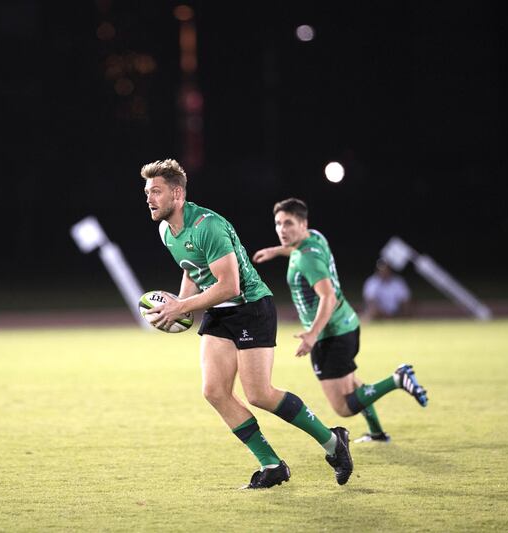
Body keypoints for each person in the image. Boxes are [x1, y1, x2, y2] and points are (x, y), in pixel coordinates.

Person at [140, 159, 353, 489]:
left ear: (178, 194)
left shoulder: (207, 225)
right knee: (214, 391)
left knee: (260, 394)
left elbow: (230, 286)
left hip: (251, 307)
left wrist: (183, 305)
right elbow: (191, 267)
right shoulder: (166, 230)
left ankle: (332, 442)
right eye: (146, 192)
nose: (149, 198)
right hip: (219, 313)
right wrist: (181, 308)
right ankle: (271, 465)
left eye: (156, 191)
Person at [252, 198, 427, 444]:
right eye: (278, 223)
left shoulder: (306, 259)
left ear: (303, 224)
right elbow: (297, 247)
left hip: (329, 335)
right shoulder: (315, 238)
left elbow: (328, 297)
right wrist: (276, 250)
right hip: (348, 325)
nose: (282, 229)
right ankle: (377, 433)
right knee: (355, 384)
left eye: (288, 223)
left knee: (344, 407)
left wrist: (312, 334)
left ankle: (398, 379)